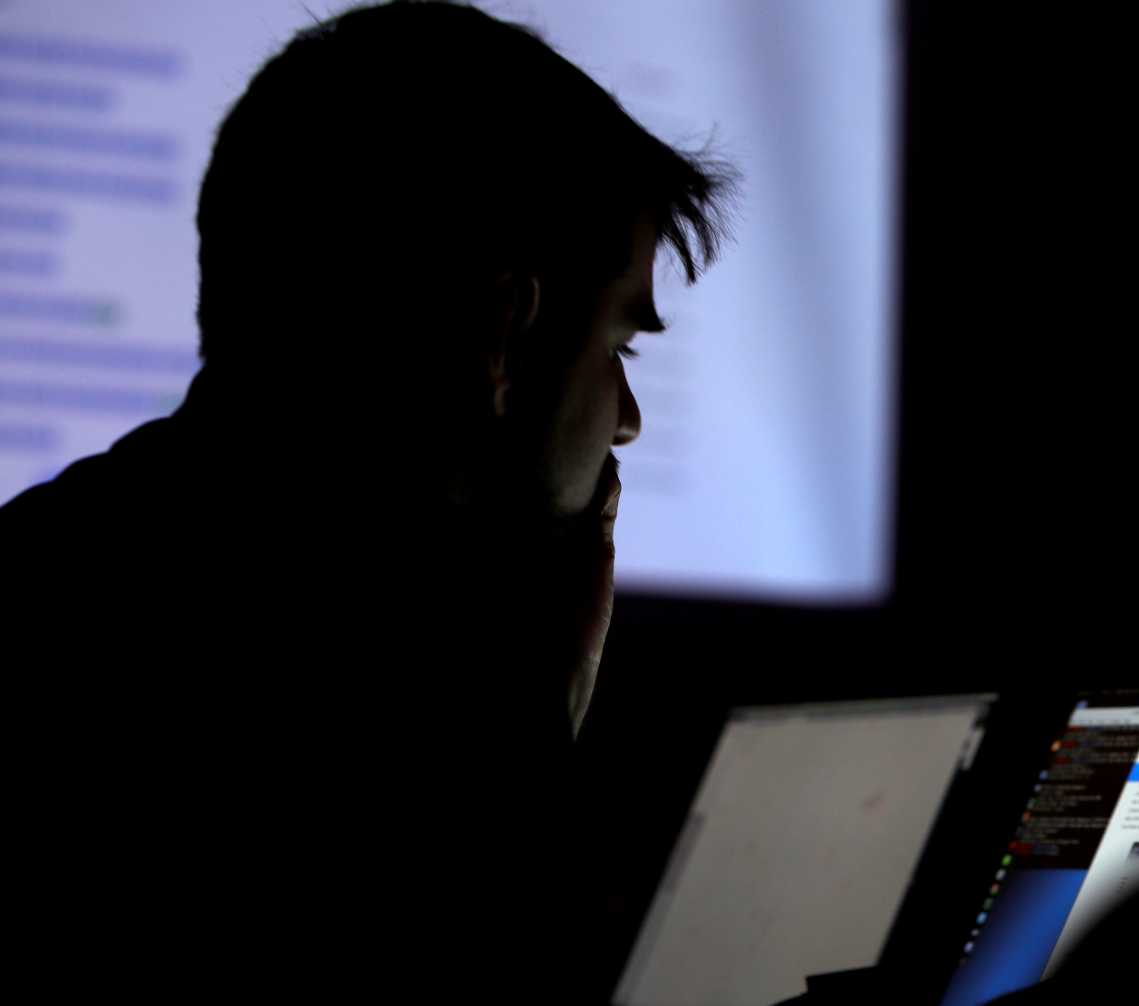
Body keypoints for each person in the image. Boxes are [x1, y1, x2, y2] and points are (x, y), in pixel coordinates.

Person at [1, 1, 737, 997]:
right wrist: (527, 733)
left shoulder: (63, 564)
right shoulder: (380, 719)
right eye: (619, 346)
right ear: (503, 332)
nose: (629, 420)